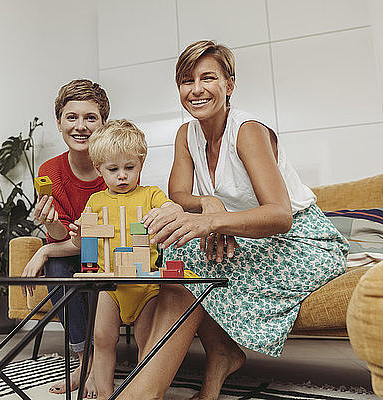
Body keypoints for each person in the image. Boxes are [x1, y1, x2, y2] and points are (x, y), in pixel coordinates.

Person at [119, 40, 349, 400]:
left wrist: (212, 223)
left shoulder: (248, 132)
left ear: (229, 84)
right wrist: (209, 203)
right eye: (186, 80)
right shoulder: (186, 135)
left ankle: (143, 391)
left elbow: (280, 215)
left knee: (191, 255)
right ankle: (216, 361)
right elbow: (178, 196)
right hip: (249, 237)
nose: (195, 89)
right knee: (179, 251)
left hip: (302, 242)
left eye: (207, 77)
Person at [69, 119, 179, 400]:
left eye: (129, 168)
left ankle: (142, 392)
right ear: (98, 169)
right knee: (103, 340)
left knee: (148, 343)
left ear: (140, 164)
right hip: (109, 285)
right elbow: (85, 245)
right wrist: (78, 236)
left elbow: (171, 209)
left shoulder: (150, 194)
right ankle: (106, 393)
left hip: (144, 284)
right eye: (113, 169)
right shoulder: (94, 202)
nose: (122, 176)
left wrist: (168, 210)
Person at [20, 79, 109, 398]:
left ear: (103, 124)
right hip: (69, 249)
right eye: (72, 117)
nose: (81, 126)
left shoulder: (115, 169)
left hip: (107, 252)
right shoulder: (50, 171)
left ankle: (100, 364)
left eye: (91, 117)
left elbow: (100, 241)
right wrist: (52, 225)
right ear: (59, 123)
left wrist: (43, 252)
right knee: (60, 271)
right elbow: (62, 235)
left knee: (85, 268)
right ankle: (83, 364)